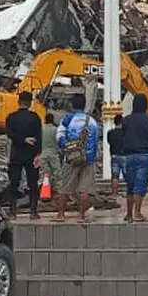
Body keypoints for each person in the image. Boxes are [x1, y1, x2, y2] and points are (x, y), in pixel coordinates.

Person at [56, 95, 100, 223]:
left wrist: (68, 147)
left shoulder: (67, 119)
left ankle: (61, 215)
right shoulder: (92, 121)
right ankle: (81, 216)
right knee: (85, 189)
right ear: (84, 105)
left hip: (71, 158)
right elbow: (96, 140)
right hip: (88, 159)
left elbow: (59, 137)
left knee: (65, 188)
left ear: (72, 106)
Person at [4, 91, 42, 220]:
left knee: (14, 182)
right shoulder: (35, 117)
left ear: (18, 101)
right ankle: (33, 211)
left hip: (16, 153)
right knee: (33, 183)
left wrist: (22, 139)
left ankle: (12, 211)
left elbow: (9, 134)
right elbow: (39, 137)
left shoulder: (11, 117)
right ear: (30, 102)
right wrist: (38, 154)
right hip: (31, 153)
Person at [121, 95, 148, 222]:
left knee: (130, 185)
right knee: (140, 185)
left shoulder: (126, 120)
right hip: (145, 155)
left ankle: (129, 213)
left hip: (129, 156)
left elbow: (122, 136)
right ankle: (138, 213)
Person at [107, 114, 127, 197]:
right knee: (128, 176)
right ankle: (129, 192)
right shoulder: (126, 133)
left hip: (114, 156)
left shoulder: (110, 133)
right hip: (125, 155)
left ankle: (114, 193)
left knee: (115, 176)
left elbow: (109, 142)